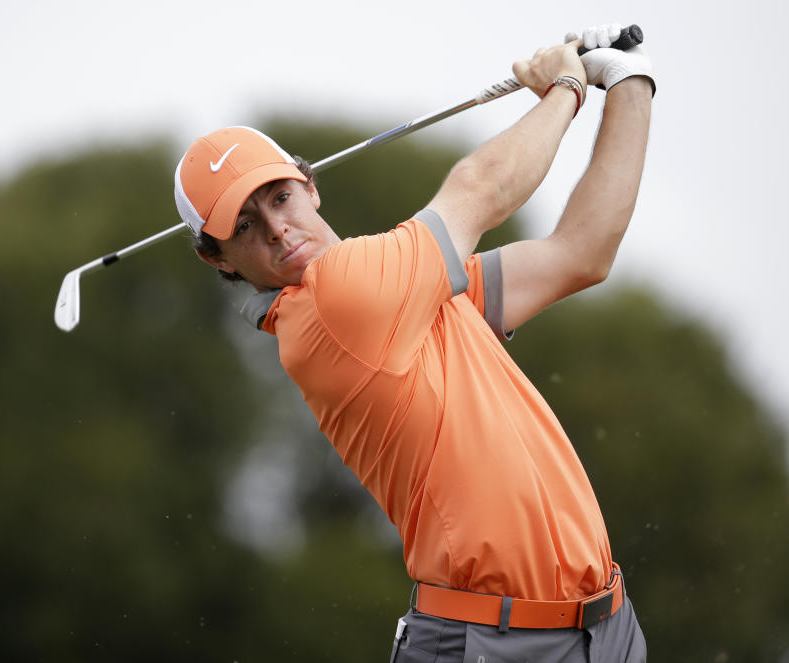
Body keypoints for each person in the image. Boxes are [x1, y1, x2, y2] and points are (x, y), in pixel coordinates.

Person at [174, 23, 654, 663]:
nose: (278, 229)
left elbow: (581, 254)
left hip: (604, 626)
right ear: (219, 260)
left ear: (310, 186)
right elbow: (480, 190)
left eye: (281, 197)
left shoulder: (408, 293)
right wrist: (566, 85)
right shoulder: (337, 297)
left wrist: (628, 84)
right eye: (243, 225)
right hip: (495, 643)